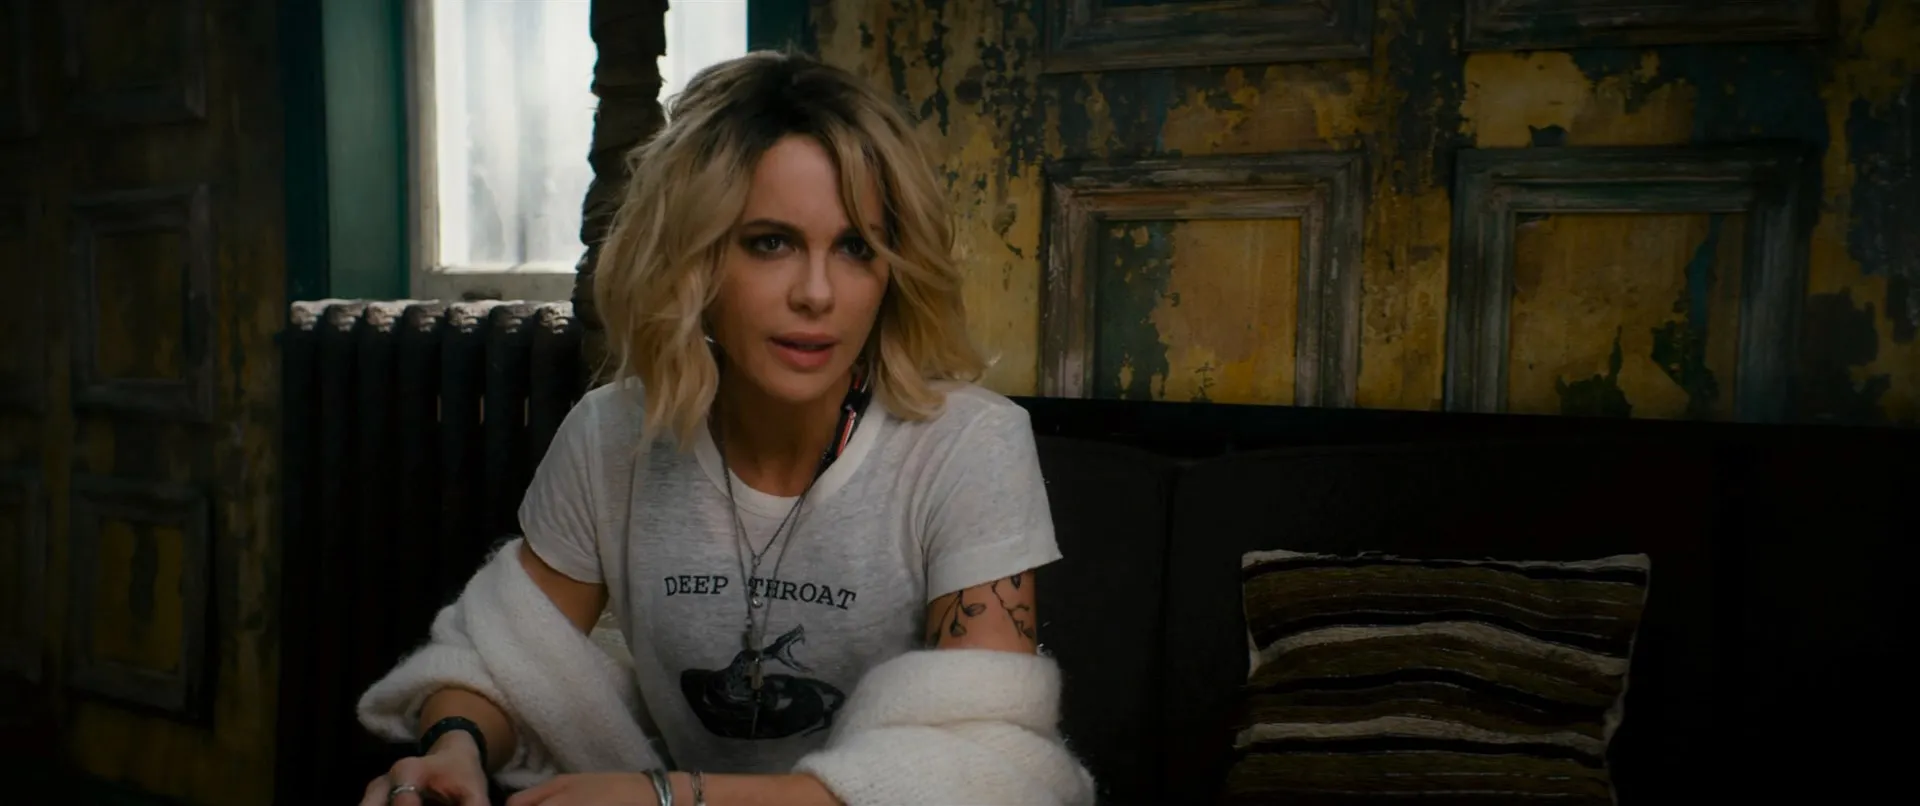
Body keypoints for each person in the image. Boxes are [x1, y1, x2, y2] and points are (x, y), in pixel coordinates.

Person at [358, 50, 1080, 806]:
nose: (817, 293)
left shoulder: (968, 445)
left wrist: (674, 797)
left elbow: (989, 764)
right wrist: (456, 747)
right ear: (693, 261)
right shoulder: (613, 438)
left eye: (855, 248)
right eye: (771, 242)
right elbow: (503, 660)